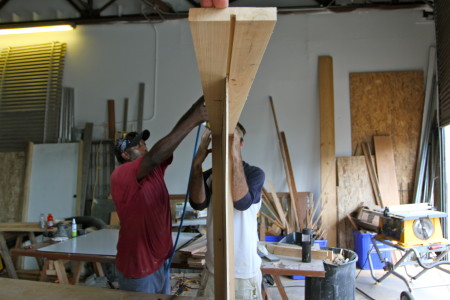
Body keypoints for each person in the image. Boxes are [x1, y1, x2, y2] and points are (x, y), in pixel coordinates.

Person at [110, 96, 208, 294]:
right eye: (139, 146)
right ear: (125, 155)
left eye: (145, 143)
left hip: (160, 263)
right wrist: (195, 120)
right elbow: (155, 155)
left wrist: (198, 103)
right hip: (138, 268)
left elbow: (172, 137)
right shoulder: (122, 174)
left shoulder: (153, 170)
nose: (145, 147)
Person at [188, 123, 265, 299]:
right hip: (213, 268)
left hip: (243, 272)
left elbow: (241, 202)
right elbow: (197, 204)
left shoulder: (254, 174)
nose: (224, 145)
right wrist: (197, 164)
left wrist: (234, 154)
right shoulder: (209, 175)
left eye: (231, 140)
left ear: (241, 143)